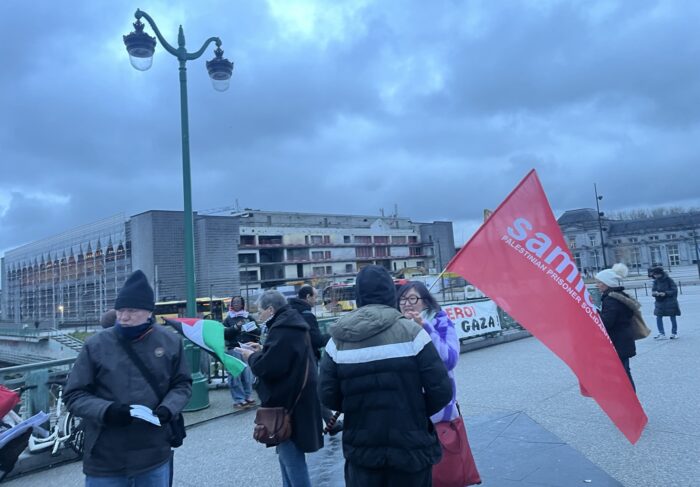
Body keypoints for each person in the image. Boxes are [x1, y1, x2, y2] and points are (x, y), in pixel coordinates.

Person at [319, 265, 452, 487]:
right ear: (391, 294)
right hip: (411, 448)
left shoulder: (337, 340)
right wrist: (414, 409)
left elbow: (327, 395)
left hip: (362, 452)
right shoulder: (413, 333)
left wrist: (358, 406)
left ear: (358, 296)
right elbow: (441, 391)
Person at [64, 270, 192, 487]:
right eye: (120, 310)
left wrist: (168, 408)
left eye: (131, 311)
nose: (123, 317)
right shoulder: (95, 345)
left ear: (149, 312)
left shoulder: (170, 342)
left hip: (154, 452)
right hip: (105, 456)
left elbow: (182, 384)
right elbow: (74, 395)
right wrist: (107, 410)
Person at [235, 290, 323, 487]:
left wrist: (251, 356)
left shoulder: (282, 328)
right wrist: (263, 350)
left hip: (288, 403)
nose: (258, 315)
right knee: (287, 454)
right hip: (298, 400)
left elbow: (269, 367)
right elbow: (284, 356)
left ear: (270, 309)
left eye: (260, 311)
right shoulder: (290, 324)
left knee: (291, 458)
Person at [397, 281, 460, 425]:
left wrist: (425, 327)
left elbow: (450, 360)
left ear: (425, 302)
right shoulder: (396, 326)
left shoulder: (441, 322)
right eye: (402, 299)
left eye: (412, 298)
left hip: (439, 410)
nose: (406, 304)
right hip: (408, 409)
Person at [288, 285, 342, 435]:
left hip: (293, 358)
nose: (316, 300)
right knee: (316, 392)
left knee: (310, 393)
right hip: (308, 360)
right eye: (315, 297)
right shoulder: (307, 315)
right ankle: (325, 425)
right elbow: (316, 340)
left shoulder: (290, 311)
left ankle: (329, 422)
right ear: (308, 297)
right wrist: (333, 335)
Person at [595, 263, 637, 391]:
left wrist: (595, 312)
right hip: (623, 339)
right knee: (624, 371)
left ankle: (630, 399)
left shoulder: (611, 299)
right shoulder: (619, 296)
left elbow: (607, 322)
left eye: (599, 282)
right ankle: (630, 398)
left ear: (607, 283)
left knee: (622, 373)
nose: (597, 285)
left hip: (618, 341)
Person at [223, 296, 259, 409]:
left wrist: (251, 328)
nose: (236, 304)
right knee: (235, 375)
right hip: (234, 349)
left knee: (247, 374)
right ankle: (239, 399)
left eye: (238, 302)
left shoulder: (248, 317)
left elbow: (258, 332)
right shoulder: (228, 319)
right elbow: (224, 334)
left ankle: (247, 396)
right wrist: (236, 327)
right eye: (234, 302)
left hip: (248, 349)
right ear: (231, 305)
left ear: (242, 304)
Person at [649, 266, 681, 339]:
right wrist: (655, 293)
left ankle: (674, 333)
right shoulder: (656, 281)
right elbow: (653, 290)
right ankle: (661, 333)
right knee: (658, 317)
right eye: (654, 275)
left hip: (670, 301)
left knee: (672, 316)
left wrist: (665, 293)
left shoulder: (669, 280)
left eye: (656, 274)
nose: (655, 276)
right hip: (659, 302)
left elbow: (674, 290)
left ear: (660, 273)